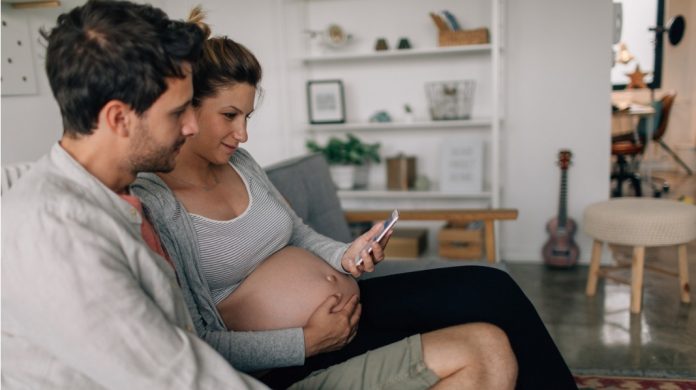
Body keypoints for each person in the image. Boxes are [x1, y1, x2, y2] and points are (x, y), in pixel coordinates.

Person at [2, 1, 517, 389]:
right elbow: (180, 375)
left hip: (297, 343)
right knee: (484, 350)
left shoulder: (104, 197)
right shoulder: (61, 235)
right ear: (118, 118)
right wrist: (306, 344)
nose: (189, 129)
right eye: (179, 112)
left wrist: (341, 261)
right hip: (270, 367)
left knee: (488, 331)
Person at [132, 8, 576, 390]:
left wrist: (346, 255)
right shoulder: (156, 202)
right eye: (229, 116)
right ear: (187, 108)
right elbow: (199, 337)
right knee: (485, 330)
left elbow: (299, 235)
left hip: (352, 308)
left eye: (247, 116)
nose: (243, 133)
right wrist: (306, 340)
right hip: (294, 356)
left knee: (492, 287)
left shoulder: (241, 163)